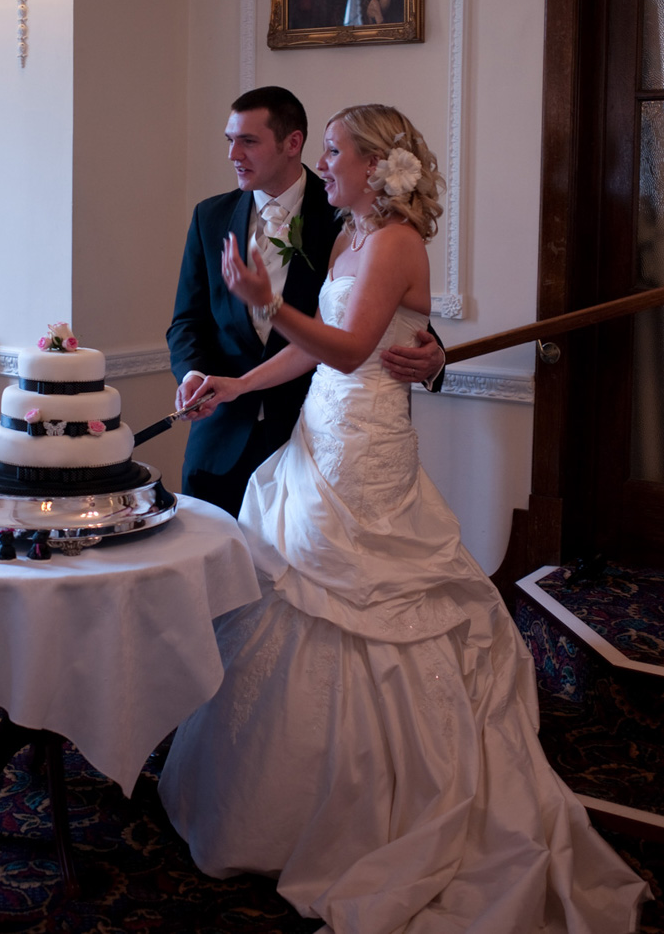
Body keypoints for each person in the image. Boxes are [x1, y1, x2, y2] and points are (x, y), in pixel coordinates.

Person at [159, 105, 648, 933]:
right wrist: (240, 384)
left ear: (378, 166)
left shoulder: (392, 243)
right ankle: (285, 797)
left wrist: (268, 301)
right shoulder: (351, 237)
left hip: (365, 453)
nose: (322, 166)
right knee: (289, 594)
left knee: (367, 597)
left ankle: (382, 804)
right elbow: (324, 349)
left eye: (335, 154)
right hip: (322, 432)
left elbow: (354, 352)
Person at [167, 86, 444, 517]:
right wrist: (222, 382)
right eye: (230, 140)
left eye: (249, 141)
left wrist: (435, 355)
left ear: (289, 142)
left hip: (333, 436)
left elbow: (382, 330)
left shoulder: (339, 214)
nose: (233, 154)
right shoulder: (342, 233)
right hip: (229, 437)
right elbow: (188, 320)